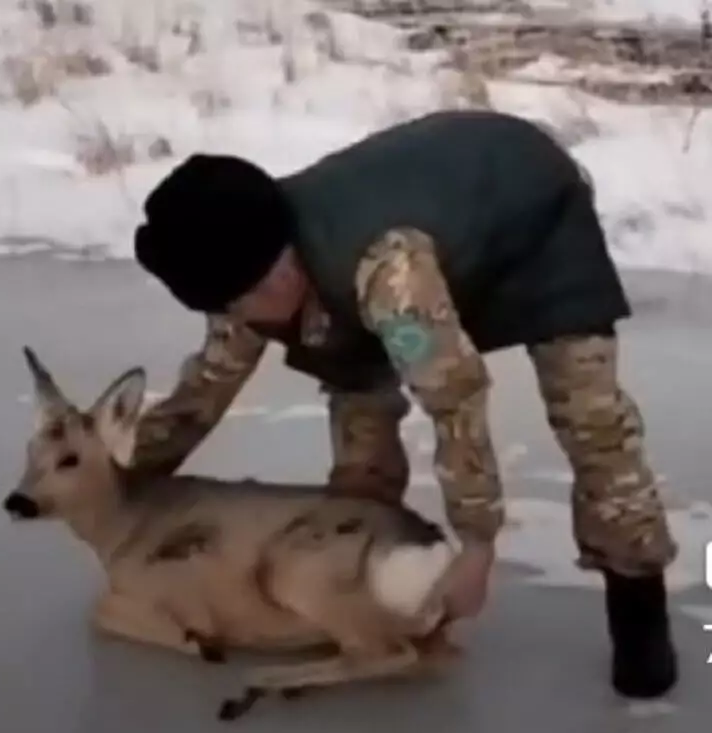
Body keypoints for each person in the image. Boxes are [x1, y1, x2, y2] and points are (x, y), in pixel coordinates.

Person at [128, 109, 679, 700]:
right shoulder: (241, 260)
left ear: (277, 278)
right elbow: (208, 384)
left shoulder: (389, 275)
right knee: (354, 395)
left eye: (237, 309)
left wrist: (476, 546)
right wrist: (126, 478)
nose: (233, 325)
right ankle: (358, 579)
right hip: (412, 237)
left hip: (531, 208)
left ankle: (638, 600)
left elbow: (455, 398)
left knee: (592, 422)